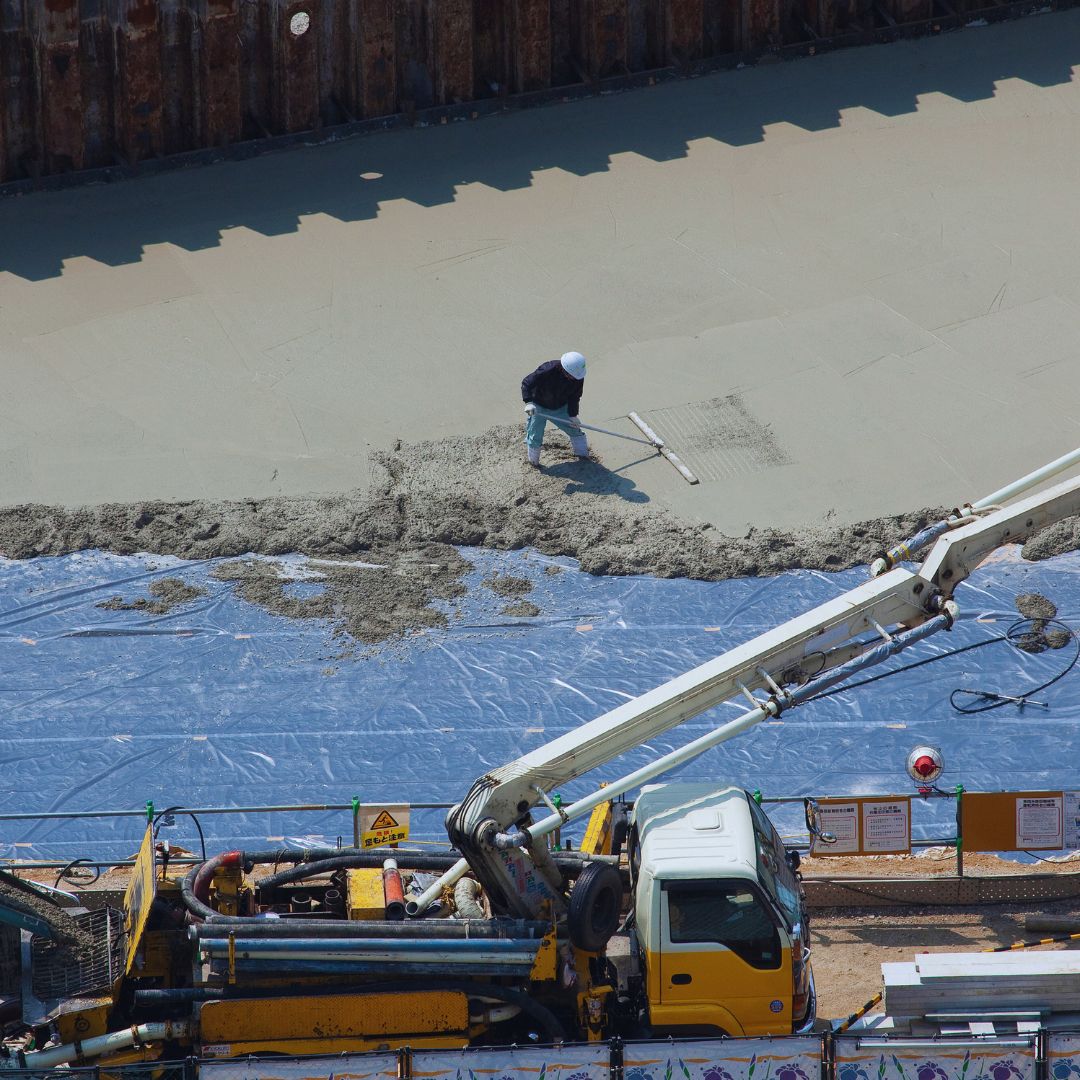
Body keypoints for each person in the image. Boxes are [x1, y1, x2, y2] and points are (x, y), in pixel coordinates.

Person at [520, 351, 589, 466]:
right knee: (535, 435)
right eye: (570, 375)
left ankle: (583, 456)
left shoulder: (578, 377)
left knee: (575, 430)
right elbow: (527, 383)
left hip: (560, 407)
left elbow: (575, 396)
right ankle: (533, 462)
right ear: (564, 369)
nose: (572, 378)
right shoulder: (548, 369)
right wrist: (528, 402)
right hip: (539, 406)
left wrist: (573, 415)